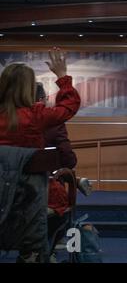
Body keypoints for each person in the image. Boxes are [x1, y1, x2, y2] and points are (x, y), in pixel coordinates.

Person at [0, 47, 81, 262]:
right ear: (28, 88)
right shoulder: (36, 116)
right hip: (30, 198)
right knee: (59, 199)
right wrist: (62, 76)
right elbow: (69, 106)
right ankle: (37, 252)